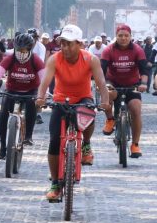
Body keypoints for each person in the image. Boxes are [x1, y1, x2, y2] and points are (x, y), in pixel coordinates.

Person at [36, 24, 110, 201]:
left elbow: (101, 83)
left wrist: (105, 102)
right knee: (54, 141)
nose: (65, 47)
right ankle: (55, 183)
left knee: (89, 114)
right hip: (61, 99)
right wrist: (40, 98)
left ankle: (86, 144)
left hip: (83, 98)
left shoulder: (91, 59)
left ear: (80, 44)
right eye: (62, 43)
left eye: (69, 43)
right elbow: (45, 83)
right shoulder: (54, 59)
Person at [0, 33, 45, 159]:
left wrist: (42, 95)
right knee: (3, 115)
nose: (20, 53)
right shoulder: (10, 59)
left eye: (23, 50)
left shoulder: (36, 60)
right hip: (11, 90)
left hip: (30, 91)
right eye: (18, 50)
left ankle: (28, 136)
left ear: (29, 49)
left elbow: (44, 80)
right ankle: (2, 146)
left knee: (31, 106)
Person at [100, 24, 148, 158]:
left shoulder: (138, 50)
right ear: (116, 36)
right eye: (120, 35)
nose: (123, 38)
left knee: (136, 109)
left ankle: (135, 145)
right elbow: (101, 70)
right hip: (113, 83)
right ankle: (110, 119)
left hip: (132, 85)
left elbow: (144, 70)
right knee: (107, 93)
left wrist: (143, 84)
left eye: (126, 35)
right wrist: (100, 84)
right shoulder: (108, 50)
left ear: (130, 37)